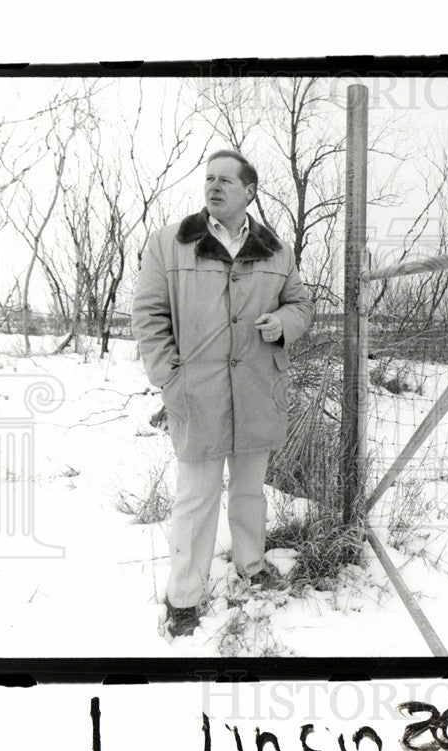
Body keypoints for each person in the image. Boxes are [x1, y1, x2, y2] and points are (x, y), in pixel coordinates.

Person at [131, 149, 314, 637]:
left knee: (251, 490)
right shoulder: (168, 244)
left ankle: (251, 564)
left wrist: (283, 324)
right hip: (198, 392)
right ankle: (185, 595)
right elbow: (148, 315)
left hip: (259, 388)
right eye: (208, 179)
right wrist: (170, 375)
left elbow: (300, 303)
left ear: (250, 191)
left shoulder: (276, 249)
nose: (213, 187)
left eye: (225, 181)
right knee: (196, 496)